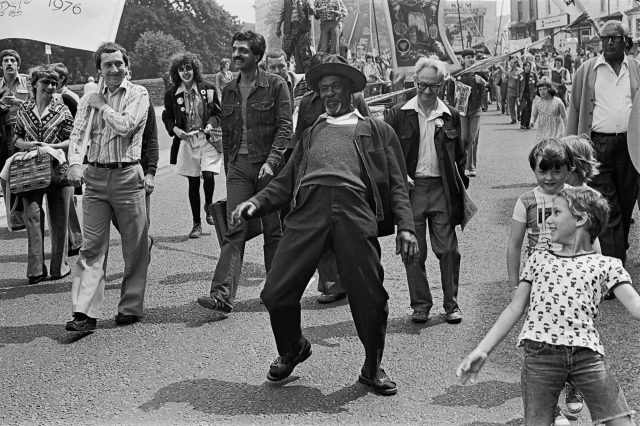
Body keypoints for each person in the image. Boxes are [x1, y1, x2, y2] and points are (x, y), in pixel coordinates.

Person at [230, 54, 418, 395]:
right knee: (275, 292)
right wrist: (255, 202)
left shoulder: (377, 130)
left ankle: (372, 367)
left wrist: (406, 226)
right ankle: (293, 348)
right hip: (309, 211)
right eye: (323, 89)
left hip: (354, 211)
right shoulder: (312, 132)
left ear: (350, 91)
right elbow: (286, 180)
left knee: (371, 297)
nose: (328, 94)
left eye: (335, 87)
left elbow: (397, 183)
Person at [458, 186, 640, 426]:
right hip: (540, 356)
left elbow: (635, 305)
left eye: (556, 212)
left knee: (621, 421)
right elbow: (514, 308)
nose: (548, 220)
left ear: (580, 219)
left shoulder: (607, 265)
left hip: (587, 354)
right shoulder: (538, 259)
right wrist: (483, 349)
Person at [196, 30, 291, 315]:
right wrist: (229, 168)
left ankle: (275, 289)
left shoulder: (276, 85)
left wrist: (272, 161)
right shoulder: (229, 89)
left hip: (268, 169)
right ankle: (221, 295)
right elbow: (228, 132)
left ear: (257, 56)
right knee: (234, 228)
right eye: (235, 49)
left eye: (243, 50)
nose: (236, 54)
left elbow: (285, 128)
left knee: (273, 231)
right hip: (238, 167)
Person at [65, 42, 151, 332]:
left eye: (118, 63)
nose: (114, 69)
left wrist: (102, 106)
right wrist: (74, 163)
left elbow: (126, 126)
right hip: (96, 177)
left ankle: (130, 306)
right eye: (107, 65)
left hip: (128, 176)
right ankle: (84, 313)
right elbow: (78, 135)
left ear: (127, 66)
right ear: (99, 69)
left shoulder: (139, 93)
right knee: (91, 248)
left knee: (135, 247)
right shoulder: (87, 98)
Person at [385, 56, 468, 325]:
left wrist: (458, 191)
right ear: (415, 82)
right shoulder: (398, 114)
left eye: (434, 86)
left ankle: (451, 305)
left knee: (448, 250)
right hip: (412, 190)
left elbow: (460, 158)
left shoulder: (450, 115)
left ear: (442, 85)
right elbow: (387, 155)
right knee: (413, 250)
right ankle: (420, 305)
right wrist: (401, 178)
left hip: (441, 189)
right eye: (422, 85)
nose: (428, 91)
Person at [291, 52, 370, 304]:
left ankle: (357, 280)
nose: (329, 92)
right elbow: (299, 137)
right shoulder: (307, 103)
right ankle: (332, 284)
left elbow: (368, 132)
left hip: (349, 173)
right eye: (323, 85)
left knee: (351, 234)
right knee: (321, 234)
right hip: (316, 175)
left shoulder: (356, 98)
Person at [567, 20, 640, 265]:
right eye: (604, 38)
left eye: (614, 38)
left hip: (632, 146)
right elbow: (575, 110)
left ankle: (618, 247)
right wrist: (571, 148)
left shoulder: (636, 68)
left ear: (625, 41)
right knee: (609, 205)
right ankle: (613, 265)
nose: (608, 43)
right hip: (598, 145)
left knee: (627, 203)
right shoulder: (587, 70)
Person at [12, 65, 74, 284]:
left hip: (58, 168)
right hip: (31, 169)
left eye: (54, 83)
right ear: (34, 84)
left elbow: (72, 140)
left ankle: (59, 267)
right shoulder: (24, 109)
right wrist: (29, 145)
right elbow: (16, 138)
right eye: (45, 82)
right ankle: (35, 269)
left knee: (60, 220)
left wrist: (50, 146)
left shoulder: (62, 109)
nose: (50, 86)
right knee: (33, 217)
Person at [162, 52, 222, 239]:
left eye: (188, 68)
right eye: (181, 69)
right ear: (176, 72)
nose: (185, 72)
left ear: (195, 69)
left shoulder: (208, 88)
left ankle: (209, 206)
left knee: (209, 175)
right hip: (188, 142)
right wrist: (176, 131)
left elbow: (217, 112)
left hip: (207, 139)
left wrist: (210, 124)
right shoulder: (171, 94)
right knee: (193, 182)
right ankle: (197, 224)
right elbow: (167, 116)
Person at [51, 62, 82, 257]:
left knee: (67, 200)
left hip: (66, 155)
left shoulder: (68, 98)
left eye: (53, 78)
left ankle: (74, 240)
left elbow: (78, 130)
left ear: (61, 79)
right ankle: (67, 241)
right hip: (51, 156)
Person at [0, 49, 31, 230]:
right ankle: (14, 216)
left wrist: (19, 103)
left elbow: (39, 104)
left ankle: (29, 214)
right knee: (6, 174)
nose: (9, 63)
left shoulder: (28, 82)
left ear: (18, 65)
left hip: (27, 133)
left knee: (28, 171)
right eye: (6, 60)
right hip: (5, 134)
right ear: (1, 66)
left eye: (13, 60)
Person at [446, 48, 487, 177]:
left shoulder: (479, 72)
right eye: (468, 57)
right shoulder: (457, 73)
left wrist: (483, 83)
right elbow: (450, 92)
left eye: (472, 57)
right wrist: (452, 108)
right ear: (463, 59)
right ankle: (462, 164)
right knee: (463, 138)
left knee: (472, 138)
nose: (471, 59)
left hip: (475, 109)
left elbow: (489, 86)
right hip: (461, 111)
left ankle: (471, 166)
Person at [276, 0, 314, 73]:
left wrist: (309, 7)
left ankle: (308, 74)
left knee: (305, 52)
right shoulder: (286, 2)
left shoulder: (305, 1)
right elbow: (281, 15)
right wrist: (278, 28)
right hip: (290, 29)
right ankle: (283, 73)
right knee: (286, 52)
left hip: (302, 29)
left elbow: (311, 13)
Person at [517, 61, 538, 130]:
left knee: (529, 109)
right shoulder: (521, 75)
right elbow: (518, 86)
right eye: (525, 66)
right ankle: (522, 124)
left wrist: (535, 93)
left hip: (530, 94)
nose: (527, 67)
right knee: (523, 108)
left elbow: (536, 84)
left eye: (528, 66)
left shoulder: (533, 74)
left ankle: (527, 124)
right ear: (523, 67)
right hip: (523, 94)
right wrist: (518, 95)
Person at [506, 57, 521, 124]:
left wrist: (518, 78)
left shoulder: (520, 71)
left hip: (518, 90)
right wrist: (504, 75)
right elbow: (505, 80)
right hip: (510, 90)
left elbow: (523, 80)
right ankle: (513, 119)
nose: (510, 64)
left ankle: (519, 116)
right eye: (510, 63)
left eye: (512, 63)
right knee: (511, 106)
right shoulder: (509, 71)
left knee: (519, 105)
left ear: (515, 63)